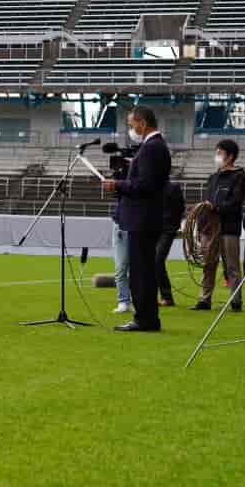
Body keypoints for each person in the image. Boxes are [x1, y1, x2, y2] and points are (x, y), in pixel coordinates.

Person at [103, 106, 171, 332]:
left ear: (142, 123)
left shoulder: (152, 148)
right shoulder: (153, 147)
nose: (131, 129)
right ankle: (146, 318)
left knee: (141, 272)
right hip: (144, 217)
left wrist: (118, 185)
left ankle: (145, 319)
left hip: (143, 219)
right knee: (143, 271)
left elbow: (146, 185)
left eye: (132, 124)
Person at [191, 139, 245, 312]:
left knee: (231, 266)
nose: (217, 156)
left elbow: (236, 202)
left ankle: (236, 300)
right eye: (216, 152)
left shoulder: (239, 176)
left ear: (230, 156)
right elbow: (207, 202)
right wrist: (202, 225)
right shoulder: (213, 177)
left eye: (220, 153)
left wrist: (215, 207)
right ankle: (204, 300)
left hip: (229, 228)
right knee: (208, 264)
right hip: (209, 228)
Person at [155, 180, 185, 307]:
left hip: (167, 229)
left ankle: (167, 297)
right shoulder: (149, 184)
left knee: (157, 260)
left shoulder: (173, 187)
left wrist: (174, 225)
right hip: (151, 228)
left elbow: (180, 208)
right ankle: (154, 296)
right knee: (151, 262)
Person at [110, 198, 132, 314]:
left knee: (138, 268)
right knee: (121, 267)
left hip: (140, 226)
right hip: (122, 225)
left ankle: (135, 301)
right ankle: (123, 301)